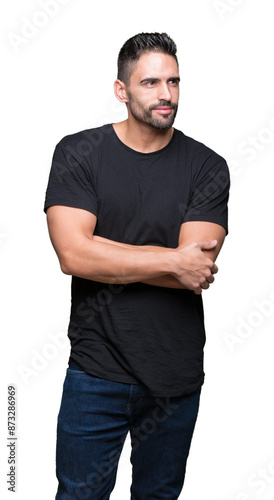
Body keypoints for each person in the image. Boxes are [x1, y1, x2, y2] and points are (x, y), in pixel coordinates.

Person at [44, 32, 230, 500]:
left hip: (175, 376)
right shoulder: (79, 153)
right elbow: (73, 255)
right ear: (121, 90)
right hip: (95, 371)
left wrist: (103, 253)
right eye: (150, 82)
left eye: (173, 81)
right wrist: (171, 260)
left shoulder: (207, 166)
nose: (166, 94)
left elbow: (198, 269)